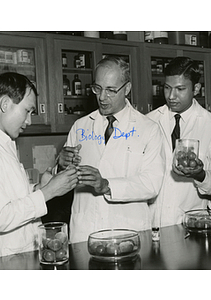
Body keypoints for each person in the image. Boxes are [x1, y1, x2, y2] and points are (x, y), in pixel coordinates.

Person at [0, 72, 78, 261]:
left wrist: (40, 188)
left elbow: (9, 197)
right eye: (27, 111)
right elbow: (0, 218)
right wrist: (48, 192)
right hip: (0, 267)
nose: (29, 121)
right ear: (5, 104)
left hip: (17, 261)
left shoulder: (1, 145)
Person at [57, 56, 165, 243]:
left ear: (127, 89)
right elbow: (63, 182)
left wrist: (106, 185)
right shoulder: (80, 126)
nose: (101, 97)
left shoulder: (149, 129)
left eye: (111, 90)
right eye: (97, 88)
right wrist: (61, 165)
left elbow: (152, 184)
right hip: (85, 232)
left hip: (129, 231)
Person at [146, 56, 211, 227]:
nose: (171, 96)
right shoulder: (148, 121)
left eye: (180, 89)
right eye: (167, 88)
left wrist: (200, 174)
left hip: (192, 223)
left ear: (196, 88)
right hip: (151, 221)